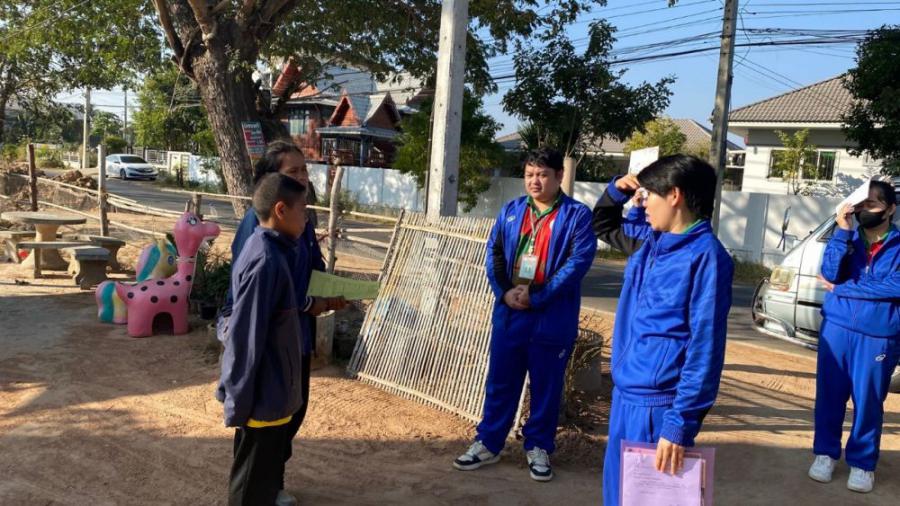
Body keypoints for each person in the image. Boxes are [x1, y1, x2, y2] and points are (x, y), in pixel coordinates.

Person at [592, 155, 734, 506]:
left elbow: (705, 348)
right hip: (625, 397)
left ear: (674, 195)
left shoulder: (707, 257)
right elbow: (602, 223)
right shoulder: (650, 242)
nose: (643, 203)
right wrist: (617, 191)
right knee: (617, 497)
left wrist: (679, 423)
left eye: (649, 195)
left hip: (658, 407)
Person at [453, 148, 597, 482]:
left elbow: (577, 263)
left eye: (543, 174)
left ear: (559, 176)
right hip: (511, 314)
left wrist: (539, 296)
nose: (535, 181)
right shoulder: (512, 211)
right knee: (500, 382)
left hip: (551, 316)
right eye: (530, 174)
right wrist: (504, 291)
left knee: (546, 387)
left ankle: (539, 446)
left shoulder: (576, 216)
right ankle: (488, 442)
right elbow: (494, 253)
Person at [218, 140, 346, 506]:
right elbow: (250, 322)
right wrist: (237, 395)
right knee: (260, 434)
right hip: (268, 347)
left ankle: (270, 483)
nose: (303, 177)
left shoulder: (295, 223)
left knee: (286, 417)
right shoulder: (260, 240)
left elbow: (305, 273)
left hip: (292, 338)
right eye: (294, 171)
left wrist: (325, 297)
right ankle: (259, 486)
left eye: (304, 170)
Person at [220, 173, 308, 505]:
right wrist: (238, 401)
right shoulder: (265, 261)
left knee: (264, 480)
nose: (307, 219)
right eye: (303, 210)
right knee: (251, 487)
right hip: (262, 396)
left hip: (274, 392)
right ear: (281, 210)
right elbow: (245, 339)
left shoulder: (276, 252)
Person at [810, 179, 900, 494]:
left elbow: (894, 286)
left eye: (872, 204)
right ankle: (825, 453)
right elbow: (829, 273)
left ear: (890, 209)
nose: (864, 210)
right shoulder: (847, 238)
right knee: (829, 395)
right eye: (861, 204)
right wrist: (842, 231)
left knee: (868, 400)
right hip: (836, 329)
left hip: (878, 334)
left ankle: (862, 462)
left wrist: (844, 289)